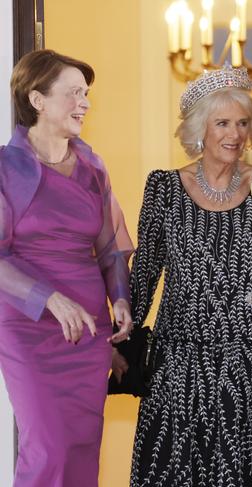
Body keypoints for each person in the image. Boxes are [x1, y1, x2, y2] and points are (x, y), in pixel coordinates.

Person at [123, 65, 252, 486]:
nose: (235, 133)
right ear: (199, 129)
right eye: (222, 122)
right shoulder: (164, 189)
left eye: (243, 123)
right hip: (181, 366)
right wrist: (120, 339)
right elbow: (145, 273)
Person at [0, 49, 133, 486]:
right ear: (37, 100)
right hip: (29, 326)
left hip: (88, 330)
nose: (85, 102)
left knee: (80, 450)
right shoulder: (3, 168)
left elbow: (111, 246)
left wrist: (121, 299)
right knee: (48, 448)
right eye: (74, 92)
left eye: (86, 93)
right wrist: (49, 298)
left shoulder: (93, 166)